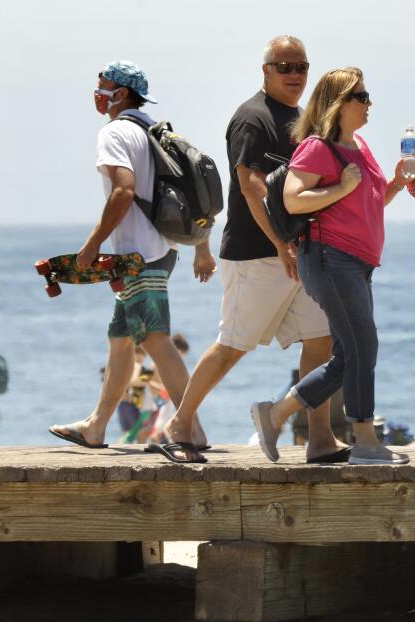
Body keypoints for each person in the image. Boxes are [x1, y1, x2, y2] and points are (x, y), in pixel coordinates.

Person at [156, 36, 349, 466]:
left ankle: (320, 439)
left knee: (321, 340)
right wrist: (281, 243)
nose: (296, 75)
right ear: (266, 71)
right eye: (286, 66)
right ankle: (180, 425)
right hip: (256, 254)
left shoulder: (300, 119)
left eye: (302, 66)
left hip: (296, 252)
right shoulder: (252, 117)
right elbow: (251, 186)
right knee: (232, 346)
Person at [250, 67, 415, 465]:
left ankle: (275, 415)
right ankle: (363, 439)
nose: (368, 103)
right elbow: (293, 199)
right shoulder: (317, 147)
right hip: (329, 258)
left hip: (357, 263)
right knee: (363, 344)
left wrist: (394, 183)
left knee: (350, 353)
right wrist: (341, 186)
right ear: (339, 103)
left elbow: (369, 204)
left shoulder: (358, 146)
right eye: (361, 96)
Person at [48, 60, 215, 450]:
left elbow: (123, 191)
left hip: (138, 255)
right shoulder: (154, 130)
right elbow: (193, 192)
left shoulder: (116, 132)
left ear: (120, 94)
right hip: (161, 249)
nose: (98, 92)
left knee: (156, 340)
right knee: (121, 340)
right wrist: (201, 247)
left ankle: (192, 430)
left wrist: (92, 245)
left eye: (103, 86)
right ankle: (96, 427)